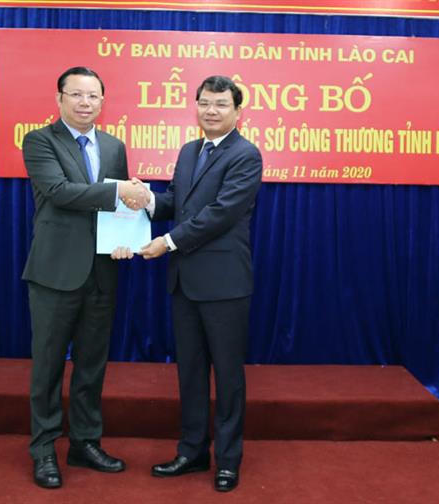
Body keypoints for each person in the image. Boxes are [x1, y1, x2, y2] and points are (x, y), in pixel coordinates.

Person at [21, 66, 148, 490]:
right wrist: (119, 192)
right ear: (59, 98)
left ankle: (85, 442)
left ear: (102, 102)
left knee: (92, 365)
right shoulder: (40, 140)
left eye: (93, 96)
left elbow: (119, 210)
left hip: (102, 271)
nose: (84, 102)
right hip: (55, 272)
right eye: (76, 94)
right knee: (48, 366)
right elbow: (59, 192)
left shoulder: (113, 146)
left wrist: (126, 238)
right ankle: (43, 449)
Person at [139, 75, 262, 492]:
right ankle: (191, 452)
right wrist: (146, 199)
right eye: (205, 103)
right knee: (190, 374)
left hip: (225, 284)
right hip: (185, 282)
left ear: (237, 111)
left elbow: (221, 214)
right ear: (196, 106)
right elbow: (177, 202)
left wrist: (167, 242)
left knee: (227, 377)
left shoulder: (245, 155)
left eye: (221, 104)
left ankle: (228, 460)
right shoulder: (189, 151)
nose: (211, 111)